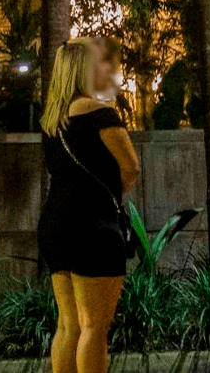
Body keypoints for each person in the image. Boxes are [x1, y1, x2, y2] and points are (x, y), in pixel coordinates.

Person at [38, 37, 141, 373]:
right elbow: (131, 167)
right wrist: (112, 196)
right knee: (95, 326)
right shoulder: (100, 113)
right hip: (93, 225)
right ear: (84, 69)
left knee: (68, 324)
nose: (103, 68)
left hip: (55, 222)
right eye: (97, 63)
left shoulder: (51, 120)